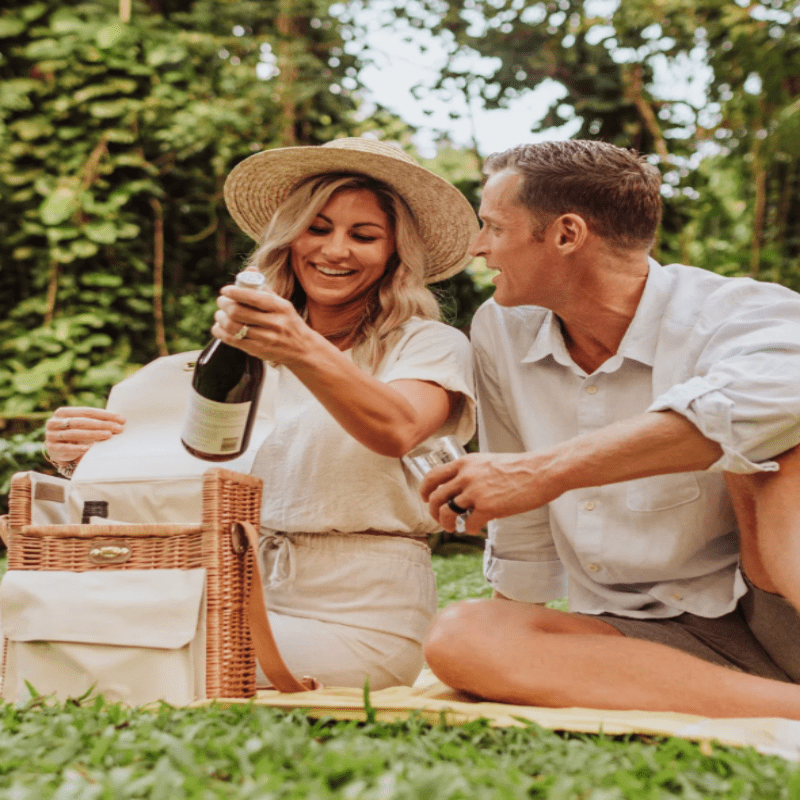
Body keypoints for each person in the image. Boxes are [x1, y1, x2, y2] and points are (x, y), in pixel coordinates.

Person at [43, 137, 478, 690]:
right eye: (317, 228)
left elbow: (396, 428)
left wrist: (297, 343)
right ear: (289, 237)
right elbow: (178, 476)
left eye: (363, 235)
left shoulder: (429, 345)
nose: (336, 249)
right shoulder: (238, 358)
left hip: (358, 616)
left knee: (129, 657)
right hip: (223, 591)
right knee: (55, 634)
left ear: (396, 253)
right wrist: (84, 457)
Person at [419, 139, 800, 719]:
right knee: (461, 636)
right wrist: (511, 647)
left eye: (494, 227)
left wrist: (543, 472)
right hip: (643, 639)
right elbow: (517, 508)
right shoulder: (501, 327)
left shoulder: (740, 311)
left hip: (774, 604)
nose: (479, 247)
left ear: (566, 235)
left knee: (779, 445)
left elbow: (764, 401)